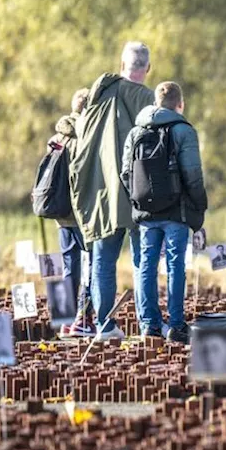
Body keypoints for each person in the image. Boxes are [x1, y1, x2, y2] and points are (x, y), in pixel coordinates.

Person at [69, 42, 156, 341]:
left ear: (121, 65)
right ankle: (148, 325)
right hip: (139, 193)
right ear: (148, 68)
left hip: (103, 192)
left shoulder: (98, 95)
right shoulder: (147, 98)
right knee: (143, 262)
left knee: (102, 261)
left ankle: (104, 326)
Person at [120, 81, 207, 344]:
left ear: (156, 103)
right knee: (175, 265)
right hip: (176, 211)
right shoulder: (183, 130)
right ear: (180, 104)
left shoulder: (136, 131)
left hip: (146, 212)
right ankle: (177, 325)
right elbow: (193, 174)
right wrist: (199, 204)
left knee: (146, 266)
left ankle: (149, 325)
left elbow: (126, 173)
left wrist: (140, 199)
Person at [52, 89, 96, 337]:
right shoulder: (84, 138)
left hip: (61, 215)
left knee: (69, 269)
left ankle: (64, 321)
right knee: (91, 266)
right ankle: (84, 320)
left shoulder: (56, 137)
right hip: (82, 214)